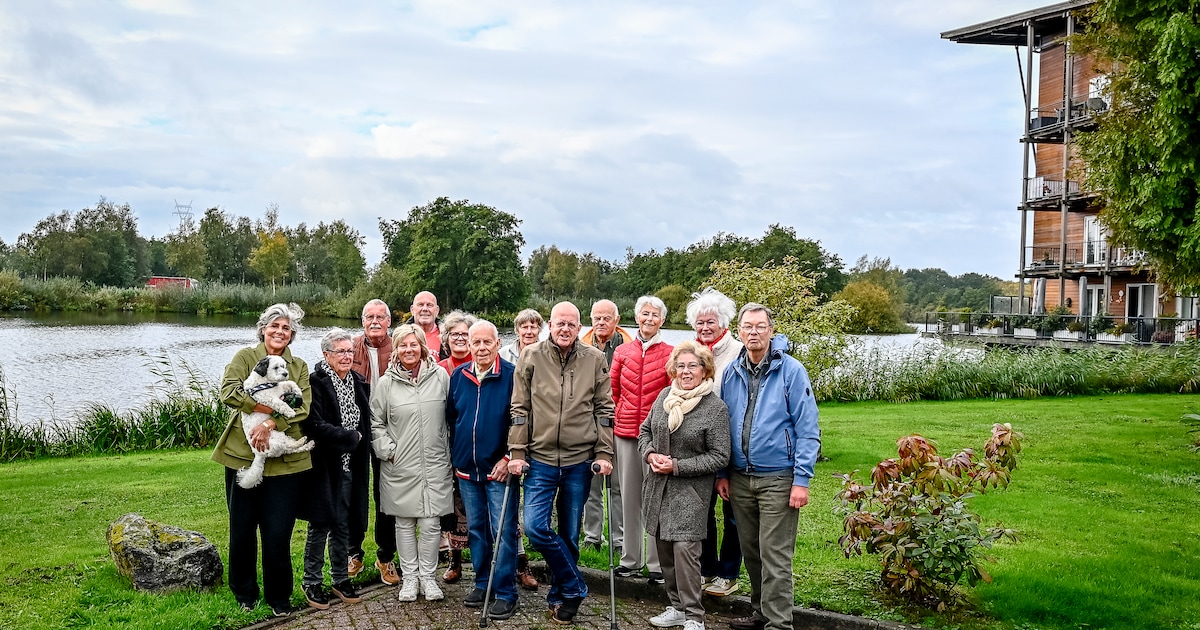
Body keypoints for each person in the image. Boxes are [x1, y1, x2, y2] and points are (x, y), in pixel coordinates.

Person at [508, 301, 615, 625]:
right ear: (550, 326)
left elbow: (604, 410)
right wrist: (517, 452)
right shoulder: (531, 356)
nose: (565, 329)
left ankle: (561, 598)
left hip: (578, 460)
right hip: (539, 459)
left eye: (571, 323)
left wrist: (604, 453)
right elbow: (520, 407)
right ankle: (576, 586)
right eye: (559, 323)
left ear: (579, 326)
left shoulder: (595, 359)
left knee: (569, 533)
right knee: (535, 527)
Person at [717, 304, 821, 630]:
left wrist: (801, 480)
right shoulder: (733, 371)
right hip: (739, 478)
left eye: (760, 326)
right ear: (739, 331)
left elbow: (808, 428)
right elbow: (723, 424)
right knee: (752, 553)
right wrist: (722, 473)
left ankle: (779, 624)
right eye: (747, 326)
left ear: (771, 331)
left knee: (775, 556)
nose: (754, 332)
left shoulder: (790, 371)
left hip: (778, 477)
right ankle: (761, 613)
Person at [212, 303, 312, 617]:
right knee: (242, 531)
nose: (279, 332)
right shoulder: (245, 358)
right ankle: (244, 594)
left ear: (292, 335)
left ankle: (279, 599)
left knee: (278, 533)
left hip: (284, 465)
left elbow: (302, 407)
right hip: (242, 455)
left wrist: (271, 425)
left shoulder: (299, 367)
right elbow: (228, 392)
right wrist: (267, 410)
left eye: (286, 328)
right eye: (274, 326)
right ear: (263, 329)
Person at [640, 341, 731, 630]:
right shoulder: (665, 396)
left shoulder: (714, 407)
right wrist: (650, 454)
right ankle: (676, 607)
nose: (686, 371)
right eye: (680, 365)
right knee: (664, 550)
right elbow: (645, 431)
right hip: (658, 488)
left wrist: (677, 466)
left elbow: (719, 455)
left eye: (693, 365)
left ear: (705, 370)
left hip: (691, 493)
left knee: (686, 554)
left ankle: (694, 616)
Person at [370, 323, 453, 603]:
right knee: (404, 524)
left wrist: (448, 449)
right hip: (399, 464)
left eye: (413, 344)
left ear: (422, 347)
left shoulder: (440, 376)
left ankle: (428, 578)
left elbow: (451, 417)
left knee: (431, 524)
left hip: (435, 463)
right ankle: (409, 579)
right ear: (396, 349)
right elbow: (376, 422)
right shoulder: (386, 383)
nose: (408, 350)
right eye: (403, 345)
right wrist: (388, 450)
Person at [445, 320, 520, 620]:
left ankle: (505, 592)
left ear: (498, 344)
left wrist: (508, 456)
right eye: (476, 343)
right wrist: (455, 455)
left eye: (487, 342)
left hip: (499, 469)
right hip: (466, 468)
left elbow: (522, 423)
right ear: (469, 346)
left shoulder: (513, 377)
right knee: (476, 530)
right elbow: (452, 417)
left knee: (502, 532)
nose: (481, 348)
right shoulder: (458, 376)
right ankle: (481, 583)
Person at [298, 328, 370, 610]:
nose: (347, 356)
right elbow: (313, 425)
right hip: (325, 465)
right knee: (321, 522)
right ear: (326, 354)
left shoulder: (358, 382)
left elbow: (365, 421)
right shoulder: (316, 382)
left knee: (343, 522)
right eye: (340, 351)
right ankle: (311, 581)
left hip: (352, 466)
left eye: (350, 351)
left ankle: (340, 579)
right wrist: (349, 438)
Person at [686, 288, 744, 597]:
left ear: (723, 323)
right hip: (698, 445)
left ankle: (729, 572)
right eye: (699, 322)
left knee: (732, 511)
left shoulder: (737, 352)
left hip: (731, 441)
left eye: (710, 322)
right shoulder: (690, 352)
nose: (705, 327)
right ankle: (706, 569)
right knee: (702, 509)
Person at [611, 296, 673, 584]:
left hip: (657, 438)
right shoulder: (622, 351)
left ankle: (657, 564)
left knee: (655, 500)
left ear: (662, 320)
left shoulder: (671, 353)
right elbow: (612, 392)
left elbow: (673, 397)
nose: (649, 319)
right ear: (637, 317)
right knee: (629, 496)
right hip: (624, 434)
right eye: (644, 314)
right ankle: (630, 559)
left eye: (655, 315)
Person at [347, 299, 400, 586]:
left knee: (387, 493)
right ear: (362, 320)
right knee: (354, 492)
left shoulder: (399, 347)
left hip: (388, 429)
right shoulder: (349, 347)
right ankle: (353, 551)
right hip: (356, 429)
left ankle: (386, 554)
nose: (375, 321)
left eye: (381, 316)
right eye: (370, 316)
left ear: (389, 321)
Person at [496, 308, 544, 591]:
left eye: (533, 326)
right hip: (509, 430)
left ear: (540, 329)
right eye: (524, 327)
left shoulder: (547, 353)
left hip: (538, 434)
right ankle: (517, 561)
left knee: (533, 505)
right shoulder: (503, 354)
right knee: (509, 500)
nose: (528, 331)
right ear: (517, 330)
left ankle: (522, 561)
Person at [578, 299, 630, 552]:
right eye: (596, 317)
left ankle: (619, 541)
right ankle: (592, 537)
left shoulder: (628, 347)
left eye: (606, 318)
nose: (601, 322)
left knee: (618, 487)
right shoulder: (581, 346)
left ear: (616, 321)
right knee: (591, 486)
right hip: (587, 425)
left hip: (619, 426)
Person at [436, 309, 477, 583]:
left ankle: (518, 563)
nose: (460, 338)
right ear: (446, 338)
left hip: (478, 444)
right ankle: (455, 560)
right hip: (448, 442)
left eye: (466, 334)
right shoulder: (440, 369)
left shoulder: (483, 362)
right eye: (455, 334)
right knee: (454, 503)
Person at [408, 291, 443, 360]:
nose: (425, 309)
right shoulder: (400, 336)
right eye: (420, 305)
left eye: (429, 305)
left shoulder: (448, 336)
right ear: (412, 310)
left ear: (437, 310)